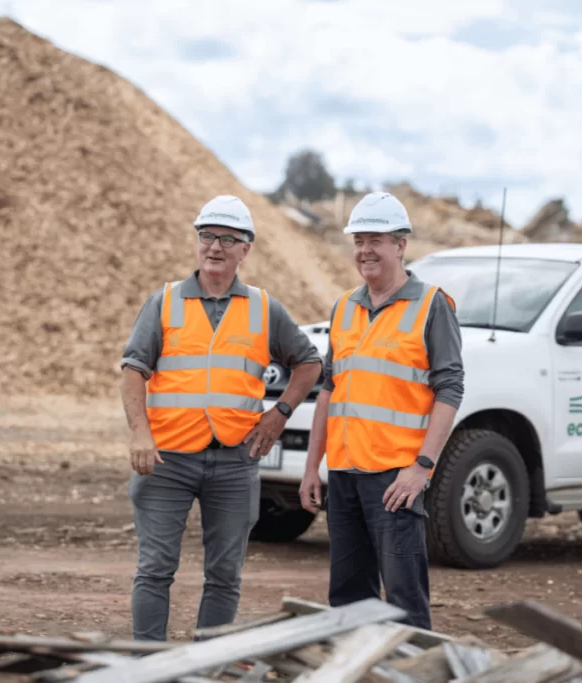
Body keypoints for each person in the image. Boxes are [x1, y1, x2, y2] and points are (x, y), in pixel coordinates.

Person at [120, 194, 322, 641]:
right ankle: (146, 665)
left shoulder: (263, 308)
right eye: (207, 236)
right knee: (154, 569)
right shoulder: (165, 302)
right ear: (197, 241)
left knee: (226, 574)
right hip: (166, 459)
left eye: (228, 239)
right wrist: (140, 432)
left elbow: (309, 363)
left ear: (245, 249)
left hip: (234, 461)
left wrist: (280, 414)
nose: (215, 246)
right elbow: (134, 369)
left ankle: (208, 668)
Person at [298, 191, 464, 630]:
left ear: (401, 245)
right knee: (348, 599)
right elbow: (329, 392)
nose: (365, 250)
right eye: (358, 241)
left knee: (404, 598)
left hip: (395, 479)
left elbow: (450, 391)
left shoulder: (431, 306)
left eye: (376, 239)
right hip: (346, 476)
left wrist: (421, 469)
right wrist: (314, 467)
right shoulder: (344, 308)